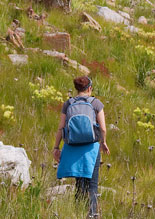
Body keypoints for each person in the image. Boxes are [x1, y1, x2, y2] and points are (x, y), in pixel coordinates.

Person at [53, 76, 110, 218]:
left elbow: (61, 127)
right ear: (89, 88)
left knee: (79, 182)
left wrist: (56, 147)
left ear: (77, 89)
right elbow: (102, 128)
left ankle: (77, 212)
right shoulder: (96, 103)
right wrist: (103, 142)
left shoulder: (68, 103)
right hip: (91, 148)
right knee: (92, 183)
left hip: (72, 147)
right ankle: (92, 214)